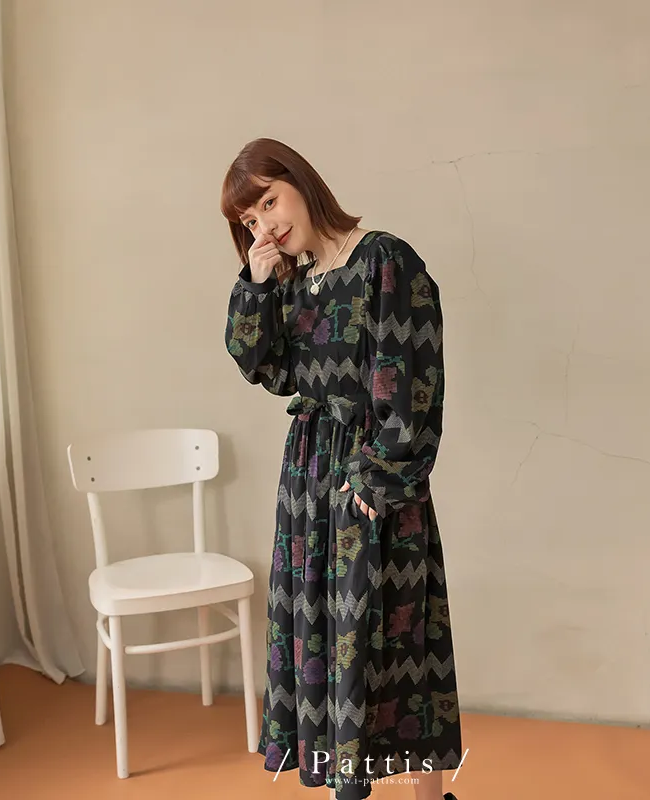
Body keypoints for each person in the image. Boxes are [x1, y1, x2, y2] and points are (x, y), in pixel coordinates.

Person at [221, 138, 463, 800]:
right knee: (325, 640)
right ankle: (343, 789)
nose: (265, 226)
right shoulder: (294, 281)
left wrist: (378, 477)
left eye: (270, 202)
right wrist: (256, 283)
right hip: (308, 482)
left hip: (368, 478)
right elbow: (263, 367)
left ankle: (428, 798)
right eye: (250, 220)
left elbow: (413, 377)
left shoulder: (384, 260)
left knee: (397, 644)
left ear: (301, 183)